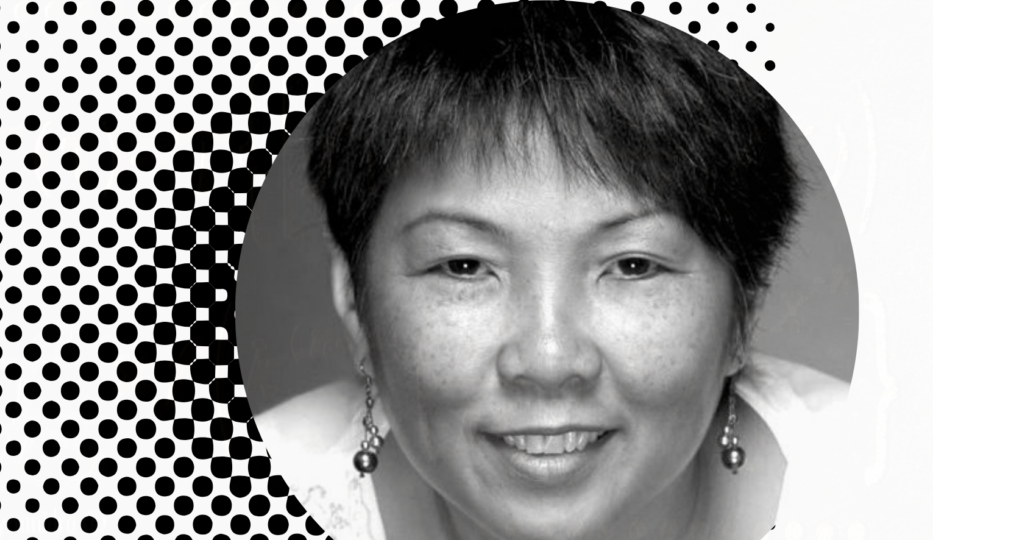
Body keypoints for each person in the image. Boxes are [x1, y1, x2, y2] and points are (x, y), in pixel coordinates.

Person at [253, 2, 849, 540]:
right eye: (464, 266)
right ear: (354, 298)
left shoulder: (884, 488)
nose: (548, 361)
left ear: (747, 300)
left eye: (633, 265)